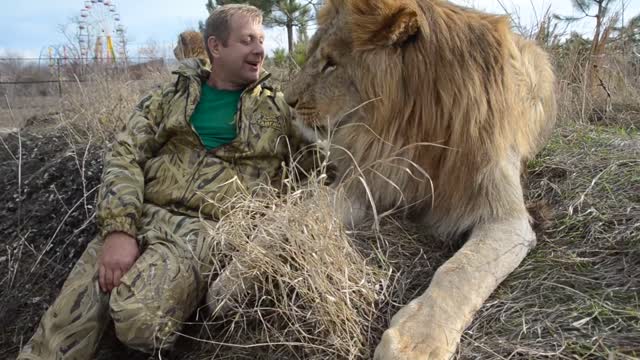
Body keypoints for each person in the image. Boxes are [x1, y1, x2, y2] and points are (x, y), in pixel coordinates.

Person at [17, 4, 302, 359]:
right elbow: (125, 155)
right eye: (247, 40)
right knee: (60, 333)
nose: (260, 49)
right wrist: (119, 230)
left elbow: (324, 163)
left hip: (202, 230)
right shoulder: (168, 97)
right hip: (142, 214)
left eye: (261, 40)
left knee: (138, 319)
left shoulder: (280, 110)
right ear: (216, 47)